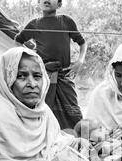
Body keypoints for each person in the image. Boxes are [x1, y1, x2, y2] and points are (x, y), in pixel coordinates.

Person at [14, 0, 87, 130]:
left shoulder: (66, 21)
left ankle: (76, 140)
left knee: (74, 113)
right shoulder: (34, 24)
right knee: (43, 112)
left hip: (64, 77)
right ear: (39, 2)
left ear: (59, 5)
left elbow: (82, 43)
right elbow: (18, 41)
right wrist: (32, 58)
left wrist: (79, 61)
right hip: (44, 77)